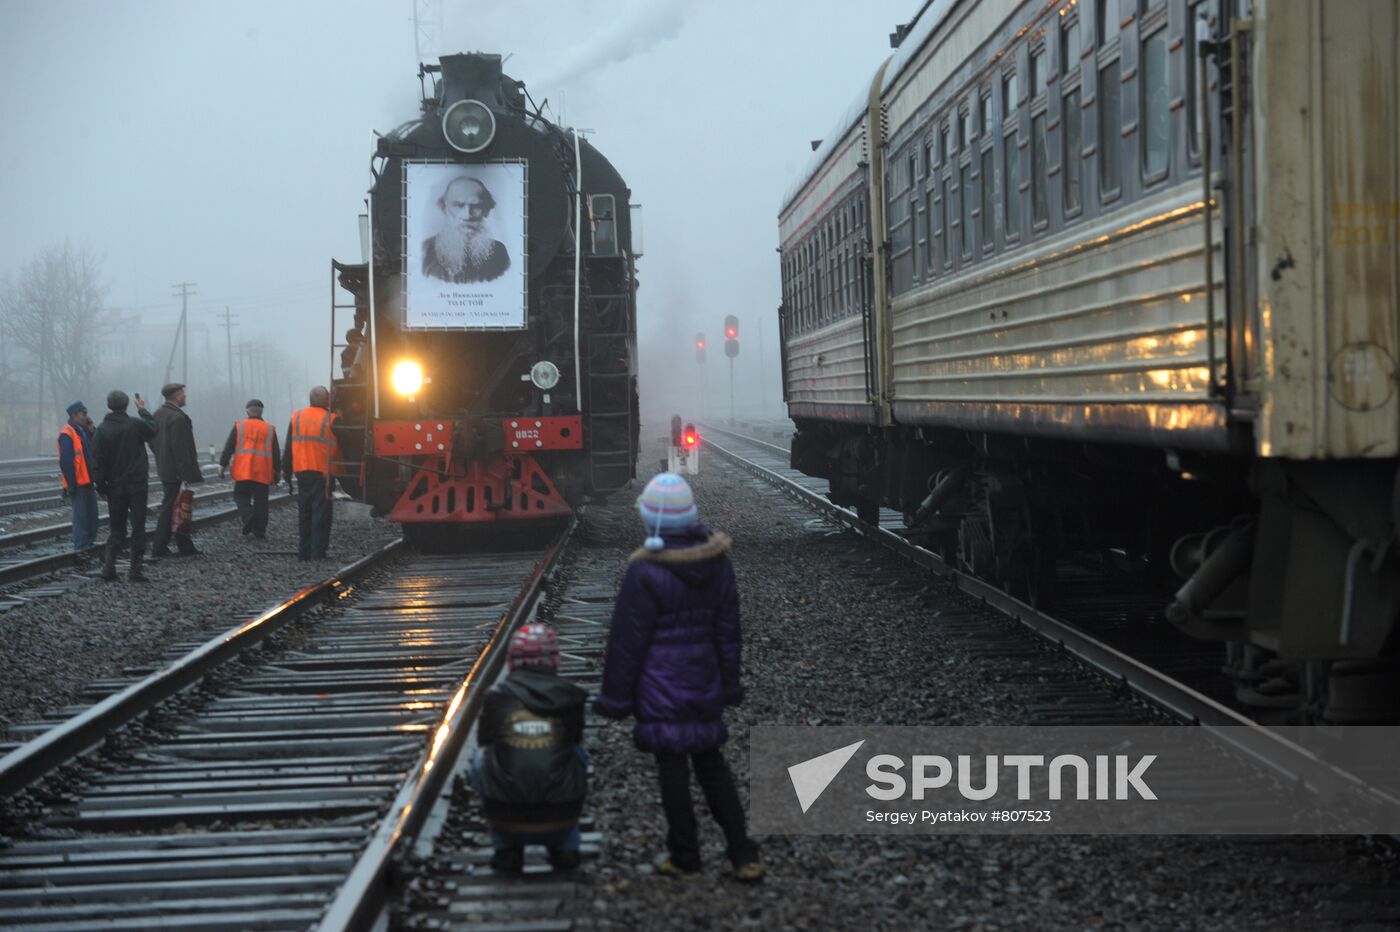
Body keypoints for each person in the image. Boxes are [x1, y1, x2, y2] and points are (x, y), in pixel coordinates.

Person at [594, 473, 764, 882]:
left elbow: (627, 641)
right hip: (703, 680)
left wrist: (616, 698)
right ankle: (744, 854)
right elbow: (728, 631)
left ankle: (685, 855)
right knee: (712, 766)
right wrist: (730, 682)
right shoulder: (717, 562)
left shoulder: (645, 571)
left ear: (651, 523)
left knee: (672, 771)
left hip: (659, 687)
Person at [470, 623, 589, 874]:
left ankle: (506, 849)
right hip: (562, 813)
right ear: (554, 659)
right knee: (577, 753)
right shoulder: (570, 697)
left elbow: (484, 743)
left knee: (482, 759)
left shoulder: (496, 695)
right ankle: (566, 847)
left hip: (506, 815)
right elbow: (576, 741)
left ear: (512, 660)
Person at [93, 391, 157, 582]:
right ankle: (135, 570)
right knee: (138, 526)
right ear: (127, 404)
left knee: (116, 528)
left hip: (114, 486)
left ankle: (108, 568)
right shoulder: (134, 425)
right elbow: (153, 428)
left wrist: (101, 487)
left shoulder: (101, 429)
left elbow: (97, 461)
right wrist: (143, 409)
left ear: (108, 405)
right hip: (137, 484)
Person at [283, 385, 339, 561]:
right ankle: (317, 553)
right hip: (322, 473)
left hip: (301, 471)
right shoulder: (332, 419)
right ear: (327, 400)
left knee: (305, 513)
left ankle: (304, 552)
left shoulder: (297, 417)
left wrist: (287, 472)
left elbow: (288, 447)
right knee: (321, 514)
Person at [422, 176, 511, 283]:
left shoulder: (499, 252)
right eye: (459, 205)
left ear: (486, 210)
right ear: (444, 208)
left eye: (476, 206)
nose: (467, 215)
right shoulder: (426, 250)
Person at [150, 382, 204, 559]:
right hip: (176, 470)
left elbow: (151, 441)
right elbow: (181, 448)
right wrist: (185, 474)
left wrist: (161, 456)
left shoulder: (158, 415)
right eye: (183, 394)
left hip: (166, 467)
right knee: (175, 507)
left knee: (175, 507)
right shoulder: (178, 418)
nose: (185, 396)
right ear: (176, 396)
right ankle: (162, 547)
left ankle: (181, 545)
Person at [218, 399, 281, 539]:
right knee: (261, 501)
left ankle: (248, 516)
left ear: (247, 410)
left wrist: (222, 465)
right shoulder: (269, 429)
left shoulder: (239, 426)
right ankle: (260, 531)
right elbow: (276, 453)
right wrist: (278, 471)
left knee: (240, 496)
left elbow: (229, 446)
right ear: (261, 411)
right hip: (262, 472)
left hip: (243, 470)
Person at [57, 400, 99, 552]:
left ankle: (89, 544)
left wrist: (91, 428)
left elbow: (94, 447)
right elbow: (66, 462)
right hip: (78, 483)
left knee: (92, 515)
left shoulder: (81, 431)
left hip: (87, 480)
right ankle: (81, 547)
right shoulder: (67, 434)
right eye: (84, 414)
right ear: (74, 416)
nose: (86, 416)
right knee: (81, 517)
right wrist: (71, 484)